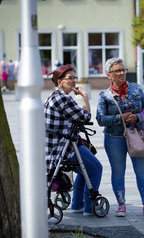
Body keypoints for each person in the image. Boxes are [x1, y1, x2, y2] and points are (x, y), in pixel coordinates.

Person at [96, 58, 144, 217]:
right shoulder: (104, 95)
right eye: (117, 71)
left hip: (138, 136)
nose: (122, 73)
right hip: (114, 138)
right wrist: (120, 118)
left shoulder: (136, 89)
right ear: (109, 75)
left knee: (142, 171)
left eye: (123, 70)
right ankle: (121, 204)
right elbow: (100, 119)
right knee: (118, 172)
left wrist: (138, 117)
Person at [44, 64, 102, 216]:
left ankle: (77, 205)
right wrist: (85, 96)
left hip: (55, 146)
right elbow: (85, 117)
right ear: (59, 81)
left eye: (74, 77)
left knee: (86, 169)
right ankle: (89, 208)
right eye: (70, 78)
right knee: (96, 169)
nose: (74, 81)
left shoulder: (54, 96)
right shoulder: (63, 99)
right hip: (63, 147)